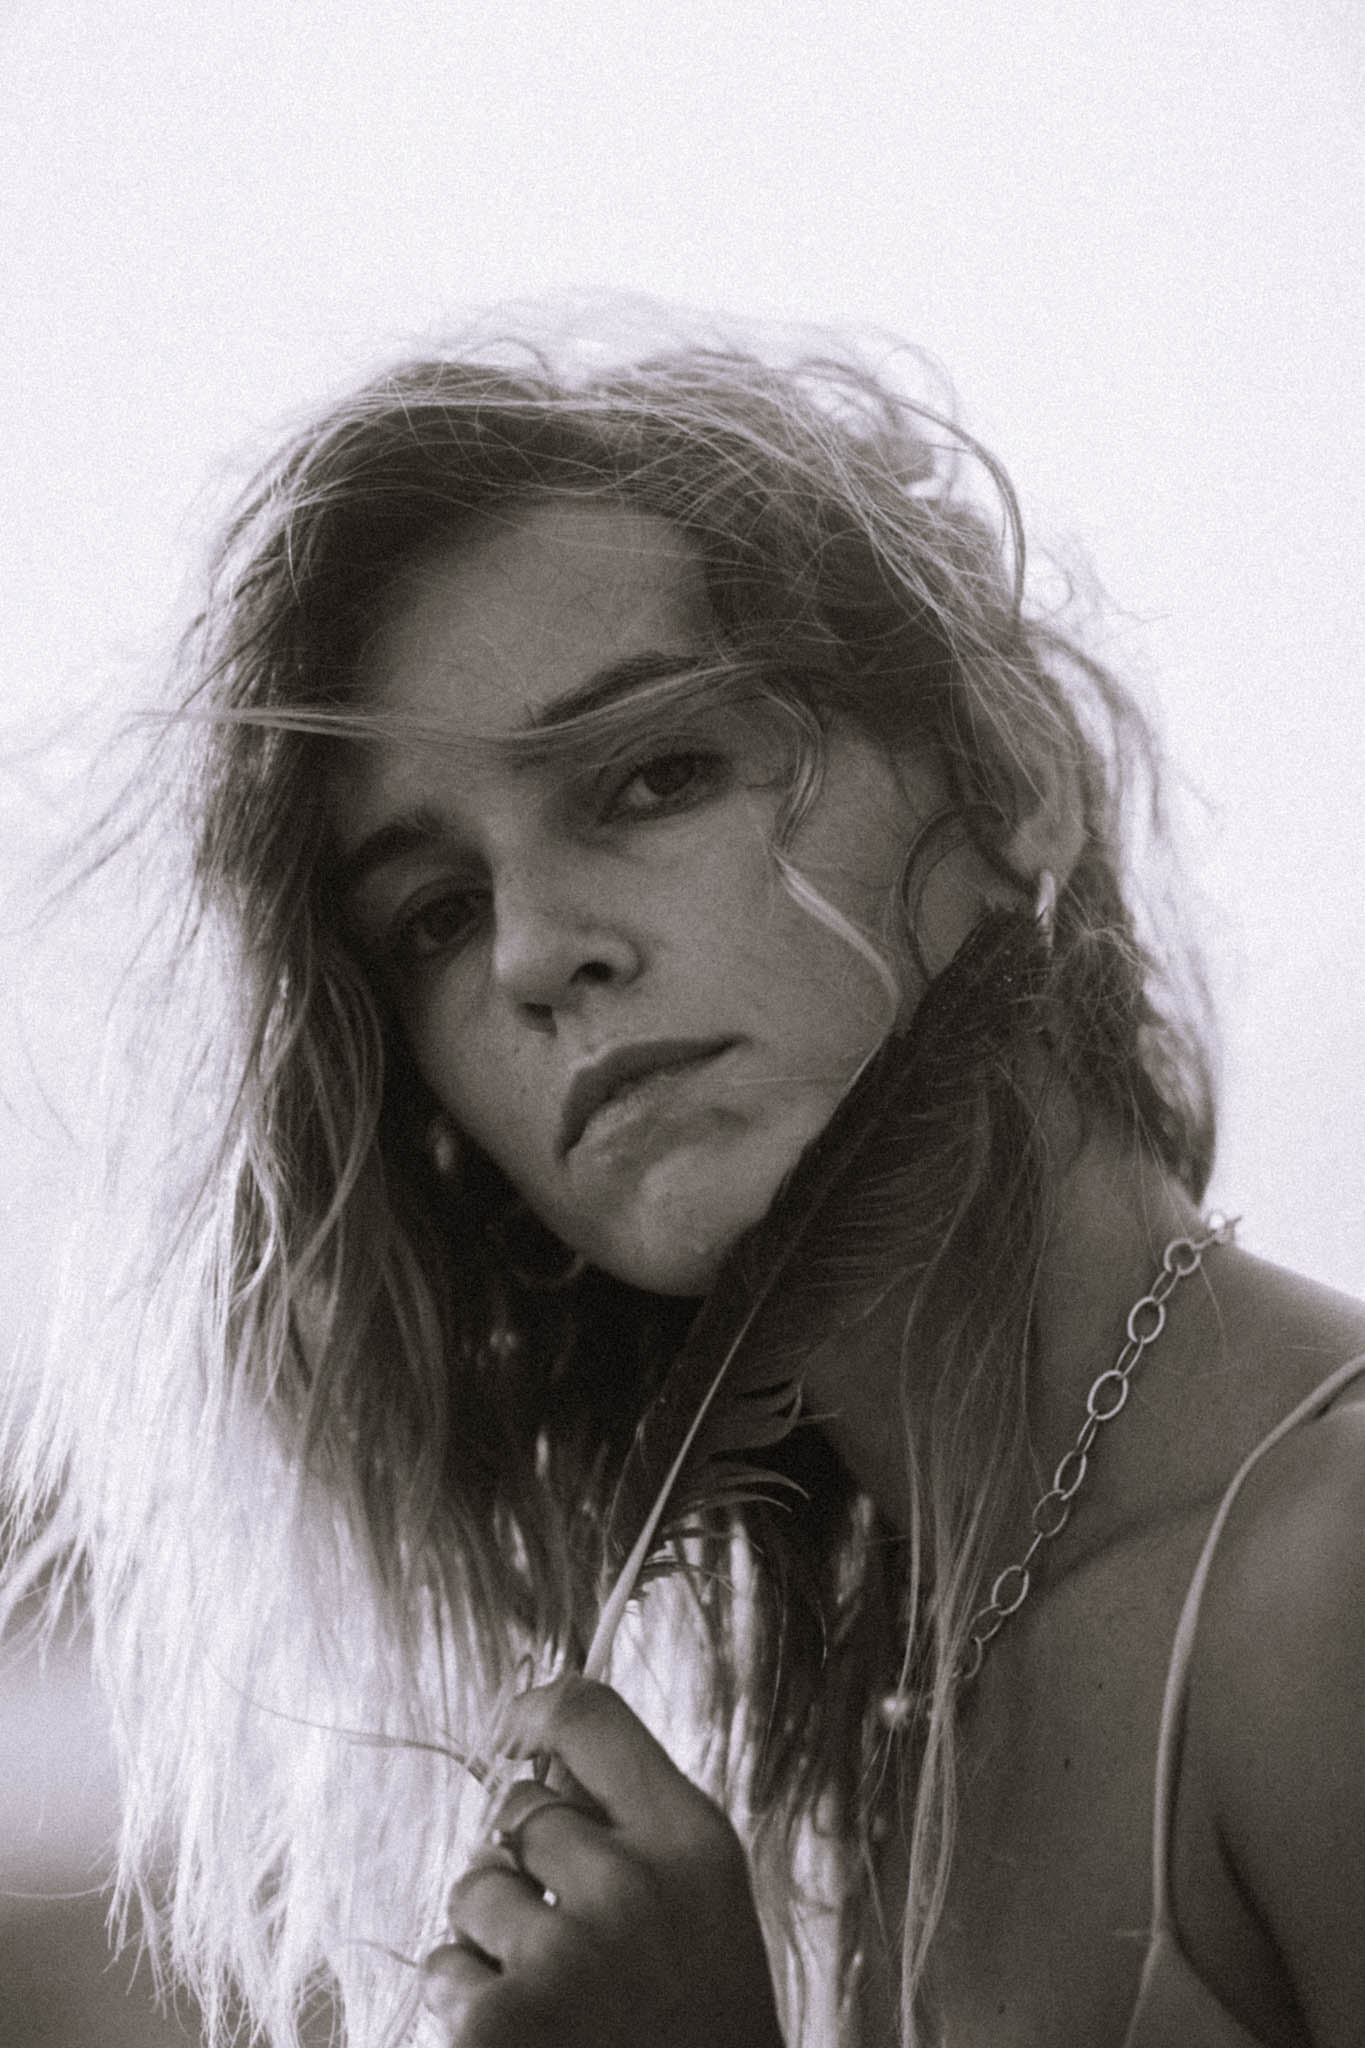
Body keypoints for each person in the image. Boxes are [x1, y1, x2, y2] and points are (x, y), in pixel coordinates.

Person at [4, 318, 1364, 2048]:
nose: (531, 953)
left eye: (654, 775)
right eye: (434, 913)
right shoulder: (863, 1714)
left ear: (1012, 769)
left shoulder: (1330, 1577)